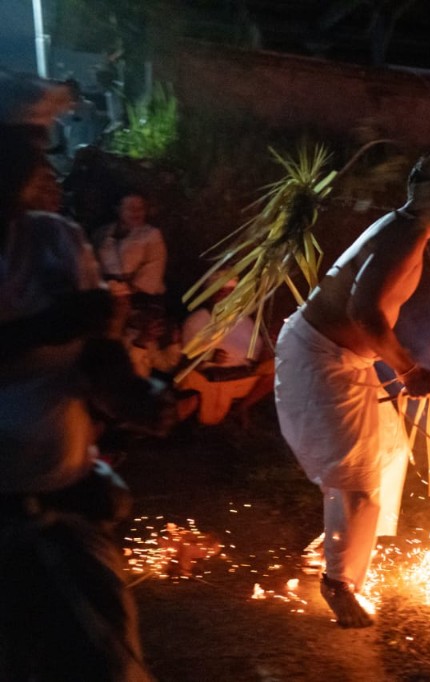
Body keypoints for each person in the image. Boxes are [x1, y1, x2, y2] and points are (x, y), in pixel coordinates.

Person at [1, 70, 168, 681]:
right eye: (22, 147)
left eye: (39, 146)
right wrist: (47, 327)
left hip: (61, 509)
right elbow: (63, 327)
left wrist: (137, 397)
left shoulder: (57, 239)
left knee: (107, 667)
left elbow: (97, 354)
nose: (37, 164)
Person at [274, 151, 430, 627]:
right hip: (320, 358)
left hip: (343, 359)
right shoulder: (402, 236)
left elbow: (367, 315)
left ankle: (332, 545)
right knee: (357, 478)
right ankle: (339, 584)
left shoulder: (406, 229)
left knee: (387, 451)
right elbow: (363, 313)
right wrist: (408, 370)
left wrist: (402, 368)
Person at [177, 275, 274, 427]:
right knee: (189, 380)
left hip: (240, 377)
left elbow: (256, 355)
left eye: (230, 292)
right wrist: (209, 357)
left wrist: (270, 347)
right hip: (210, 378)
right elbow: (187, 358)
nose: (226, 296)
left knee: (275, 367)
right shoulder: (197, 320)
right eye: (221, 291)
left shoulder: (244, 320)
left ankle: (241, 408)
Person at [92, 192, 168, 337]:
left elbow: (155, 264)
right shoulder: (101, 233)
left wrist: (130, 289)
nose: (136, 212)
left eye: (140, 208)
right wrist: (108, 286)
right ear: (118, 209)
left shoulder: (151, 234)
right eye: (131, 208)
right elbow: (93, 262)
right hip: (108, 293)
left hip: (141, 296)